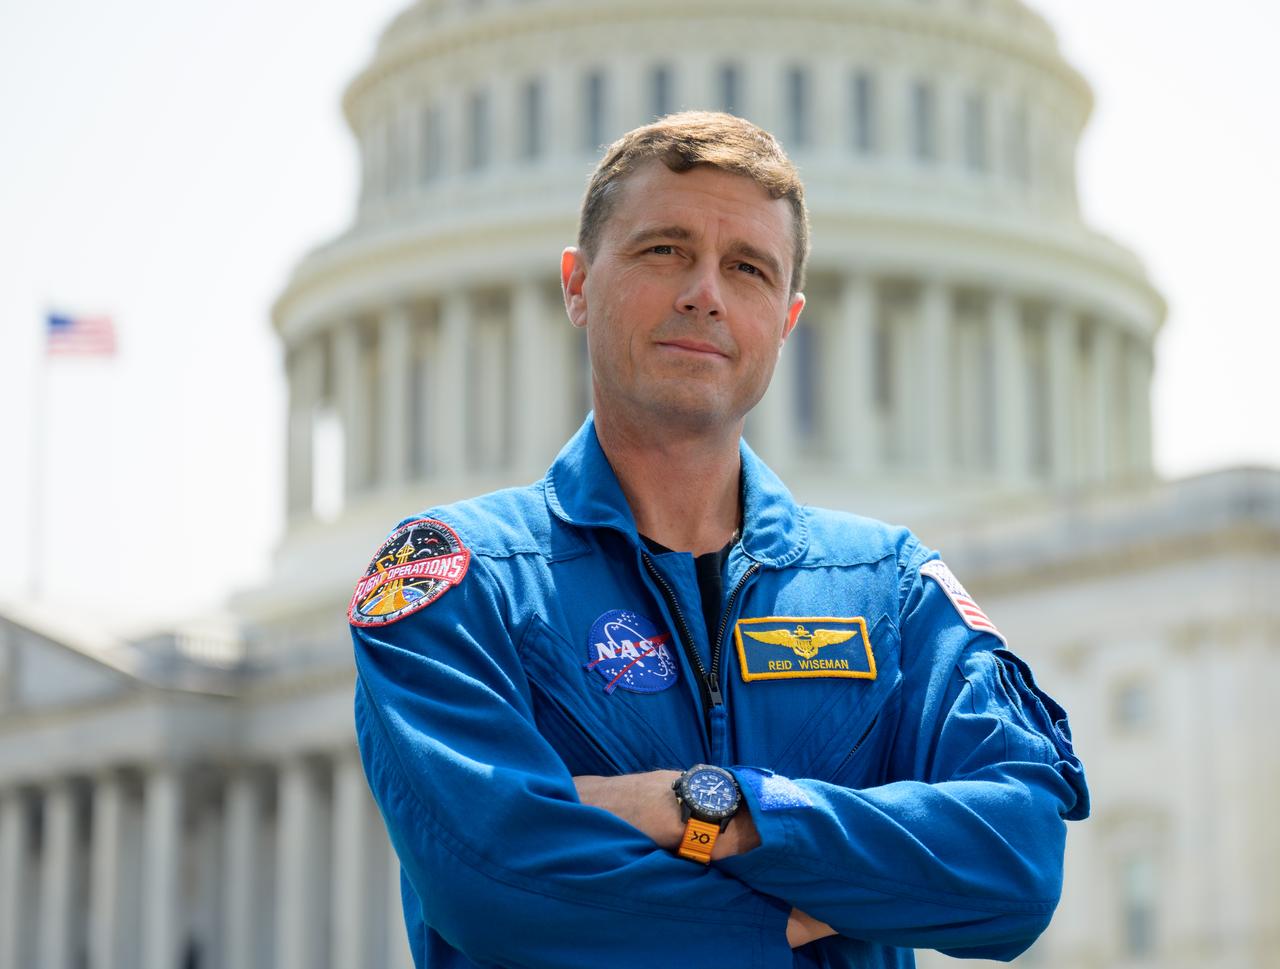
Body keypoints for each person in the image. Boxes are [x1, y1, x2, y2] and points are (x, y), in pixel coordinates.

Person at [349, 111, 1088, 969]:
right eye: (664, 250)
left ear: (787, 318)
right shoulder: (458, 582)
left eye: (747, 268)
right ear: (577, 285)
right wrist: (813, 906)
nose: (704, 292)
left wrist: (715, 807)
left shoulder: (887, 589)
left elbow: (1017, 859)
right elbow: (497, 880)